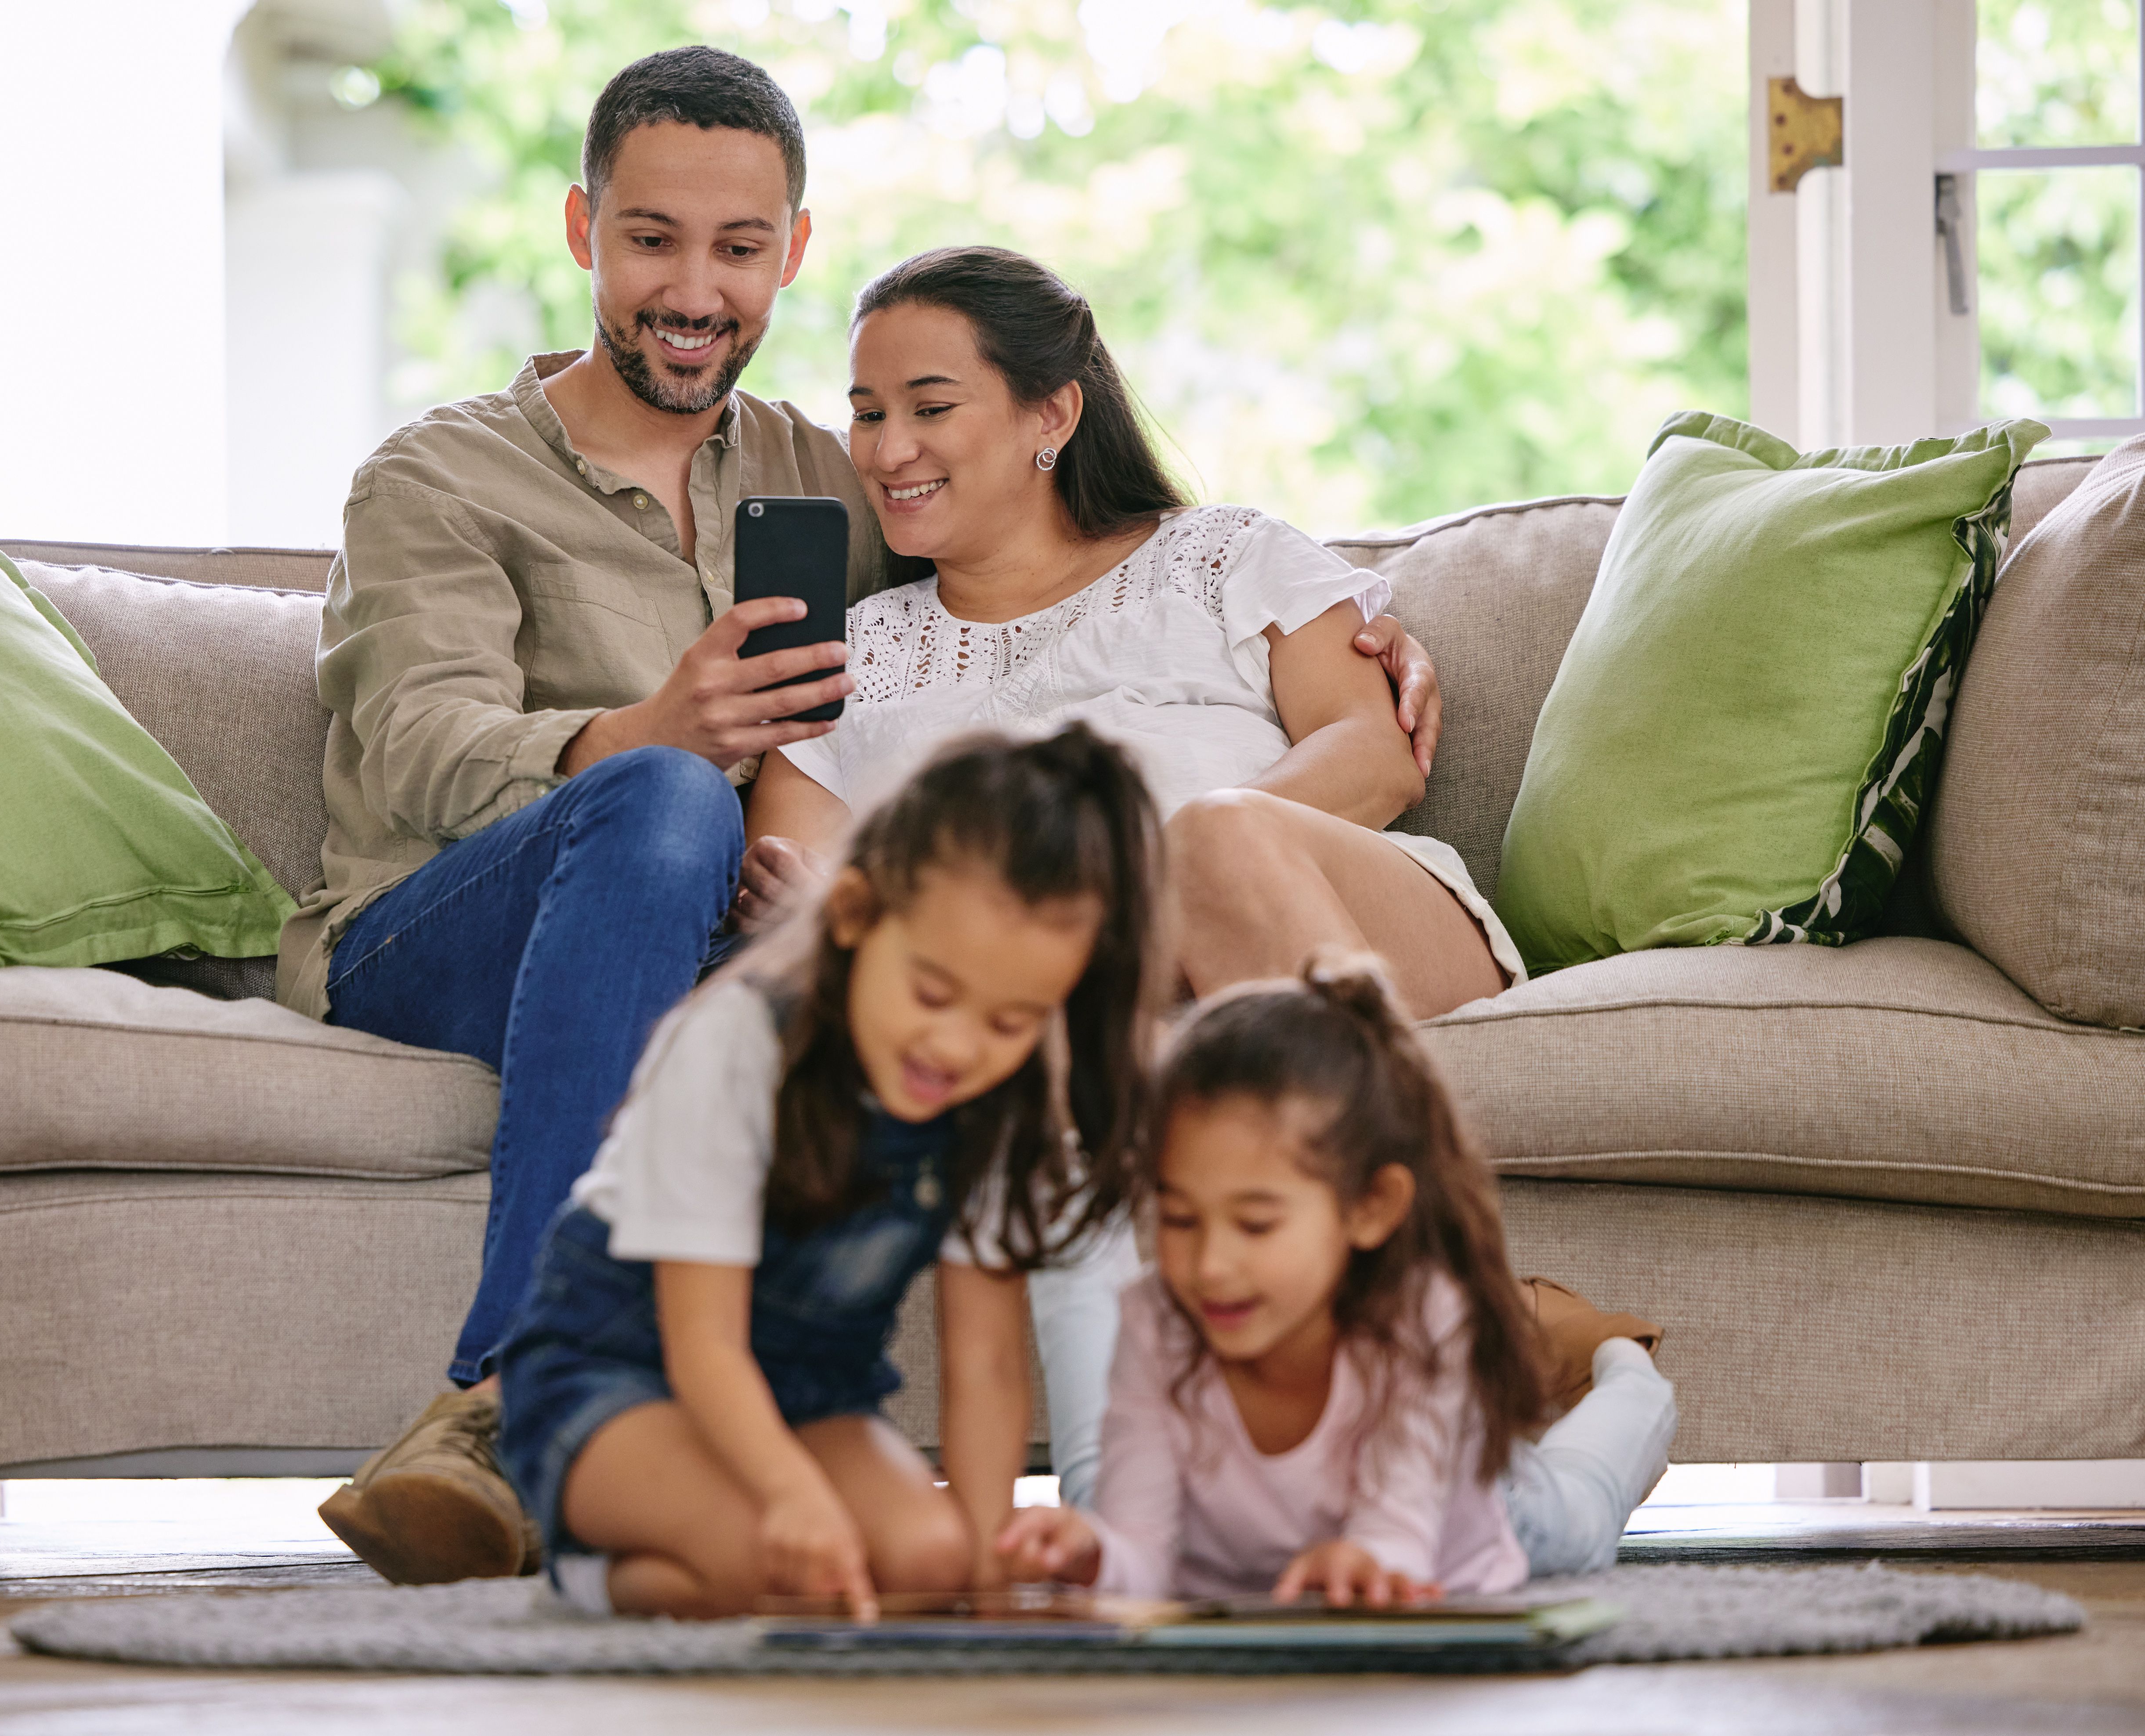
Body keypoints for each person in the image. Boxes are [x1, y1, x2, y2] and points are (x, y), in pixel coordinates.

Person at [297, 51, 1446, 1585]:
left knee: (812, 934)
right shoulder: (441, 475)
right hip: (442, 925)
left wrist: (1369, 638)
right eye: (650, 240)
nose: (693, 290)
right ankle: (507, 1396)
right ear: (583, 232)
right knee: (664, 800)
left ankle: (718, 1511)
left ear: (792, 249)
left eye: (738, 246)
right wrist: (646, 733)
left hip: (704, 927)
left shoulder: (830, 470)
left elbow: (1039, 583)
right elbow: (415, 749)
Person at [739, 244, 1541, 1502]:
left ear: (1051, 415)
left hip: (1338, 917)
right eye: (868, 411)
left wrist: (1135, 890)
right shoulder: (856, 655)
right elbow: (800, 880)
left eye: (930, 407)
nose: (888, 449)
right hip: (1076, 1009)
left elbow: (1374, 753)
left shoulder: (1220, 557)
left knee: (1211, 837)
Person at [499, 726, 1161, 1616]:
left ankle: (749, 1548)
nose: (957, 1046)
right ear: (853, 915)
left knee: (929, 1567)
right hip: (619, 1380)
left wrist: (985, 1576)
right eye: (932, 993)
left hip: (814, 1398)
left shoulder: (1001, 1103)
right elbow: (703, 1344)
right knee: (788, 1567)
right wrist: (793, 1497)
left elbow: (986, 1363)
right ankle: (589, 1574)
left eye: (1010, 1023)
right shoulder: (738, 1043)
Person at [993, 956, 1677, 1601]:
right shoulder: (1155, 1321)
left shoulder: (1420, 1322)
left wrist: (1366, 1558)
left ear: (1370, 1207)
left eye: (1256, 1224)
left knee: (1581, 1517)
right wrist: (1093, 1553)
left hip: (1453, 1519)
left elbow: (1396, 1543)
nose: (1210, 1266)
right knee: (1095, 1495)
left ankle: (1628, 1372)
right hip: (1238, 1554)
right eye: (1178, 1219)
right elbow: (1141, 1553)